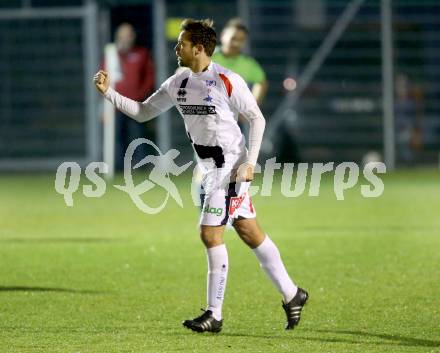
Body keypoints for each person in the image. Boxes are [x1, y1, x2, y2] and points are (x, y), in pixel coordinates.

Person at [93, 19, 308, 333]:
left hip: (230, 170)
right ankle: (293, 294)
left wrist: (249, 162)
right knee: (249, 231)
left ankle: (214, 314)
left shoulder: (226, 79)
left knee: (210, 234)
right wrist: (108, 93)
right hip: (208, 170)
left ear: (198, 48)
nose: (175, 48)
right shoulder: (179, 81)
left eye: (181, 43)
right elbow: (142, 111)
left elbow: (256, 119)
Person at [103, 23, 155, 170]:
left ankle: (141, 167)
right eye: (124, 35)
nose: (127, 38)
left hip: (135, 104)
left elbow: (149, 78)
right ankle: (118, 168)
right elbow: (102, 78)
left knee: (138, 136)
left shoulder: (142, 53)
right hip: (115, 105)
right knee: (117, 137)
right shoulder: (111, 55)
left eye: (130, 34)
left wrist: (140, 95)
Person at [212, 18, 268, 106]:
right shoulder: (207, 57)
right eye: (233, 38)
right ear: (223, 36)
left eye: (241, 40)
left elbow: (261, 83)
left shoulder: (248, 63)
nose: (236, 43)